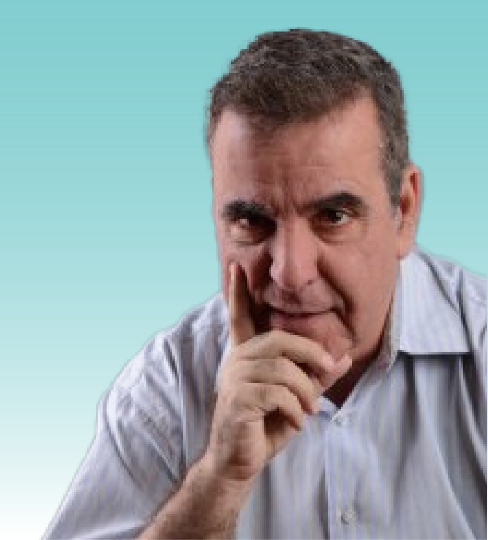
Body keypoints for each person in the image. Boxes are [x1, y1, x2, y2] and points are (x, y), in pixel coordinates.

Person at [44, 28, 486, 539]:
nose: (290, 273)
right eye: (252, 221)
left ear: (403, 211)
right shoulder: (165, 387)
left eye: (333, 216)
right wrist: (217, 483)